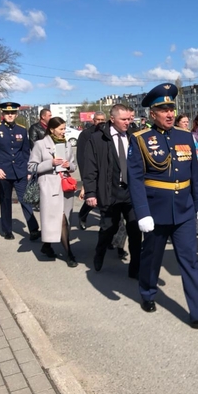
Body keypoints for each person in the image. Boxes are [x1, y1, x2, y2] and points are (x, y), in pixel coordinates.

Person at [127, 83, 198, 331]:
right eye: (163, 109)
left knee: (189, 261)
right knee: (152, 258)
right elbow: (135, 180)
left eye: (171, 108)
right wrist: (142, 212)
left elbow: (193, 172)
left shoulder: (185, 137)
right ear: (152, 114)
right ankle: (147, 292)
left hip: (183, 211)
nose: (169, 113)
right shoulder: (140, 139)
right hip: (155, 212)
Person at [82, 104, 141, 278]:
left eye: (129, 119)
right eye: (123, 120)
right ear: (112, 119)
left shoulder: (134, 137)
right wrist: (91, 193)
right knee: (108, 228)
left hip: (131, 193)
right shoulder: (98, 139)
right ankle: (99, 254)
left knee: (135, 231)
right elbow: (90, 168)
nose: (127, 123)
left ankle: (135, 268)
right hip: (110, 192)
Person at [0, 102, 40, 241]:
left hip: (20, 171)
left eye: (13, 113)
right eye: (7, 113)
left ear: (16, 114)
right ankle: (7, 229)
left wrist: (29, 170)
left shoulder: (21, 130)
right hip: (3, 172)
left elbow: (26, 151)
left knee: (26, 199)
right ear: (2, 114)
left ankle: (33, 229)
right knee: (5, 200)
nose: (10, 115)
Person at [28, 117, 78, 265]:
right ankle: (69, 254)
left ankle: (47, 246)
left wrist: (69, 166)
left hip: (65, 187)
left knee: (64, 220)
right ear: (51, 129)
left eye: (64, 128)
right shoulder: (40, 144)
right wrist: (50, 163)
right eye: (61, 129)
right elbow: (31, 167)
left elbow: (74, 166)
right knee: (59, 219)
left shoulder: (67, 144)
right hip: (49, 187)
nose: (64, 132)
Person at [76, 111, 106, 230]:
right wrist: (85, 178)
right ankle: (82, 215)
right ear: (93, 121)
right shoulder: (86, 134)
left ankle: (106, 228)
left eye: (102, 120)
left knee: (104, 199)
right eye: (98, 120)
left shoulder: (107, 132)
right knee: (93, 197)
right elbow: (81, 157)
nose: (100, 122)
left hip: (104, 170)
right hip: (91, 171)